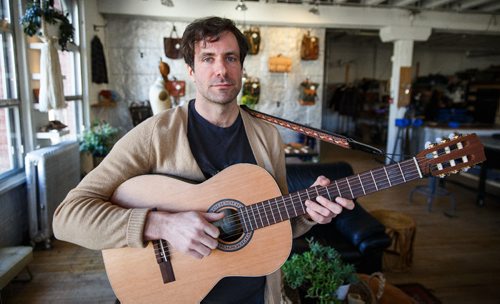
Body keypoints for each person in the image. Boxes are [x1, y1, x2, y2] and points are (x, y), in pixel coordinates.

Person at [53, 16, 354, 304]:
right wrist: (161, 225)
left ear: (241, 68)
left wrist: (308, 214)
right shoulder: (155, 135)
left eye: (231, 58)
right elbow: (67, 218)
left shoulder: (267, 137)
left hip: (256, 296)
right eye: (208, 58)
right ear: (191, 71)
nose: (221, 70)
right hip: (177, 294)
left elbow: (273, 225)